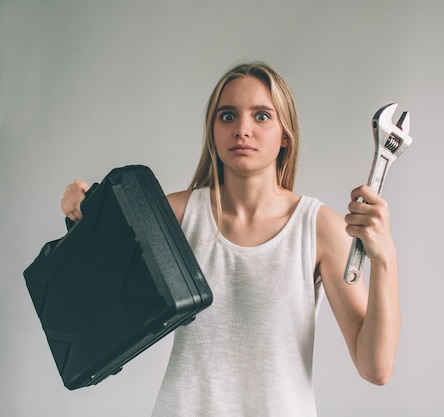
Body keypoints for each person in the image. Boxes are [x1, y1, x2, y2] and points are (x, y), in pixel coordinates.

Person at [61, 62, 400, 417]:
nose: (242, 129)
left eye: (262, 116)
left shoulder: (317, 228)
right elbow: (91, 293)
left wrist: (385, 259)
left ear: (286, 134)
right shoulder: (170, 216)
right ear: (213, 131)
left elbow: (375, 368)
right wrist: (80, 213)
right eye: (227, 116)